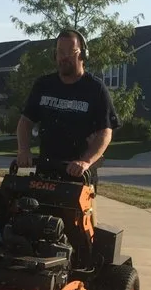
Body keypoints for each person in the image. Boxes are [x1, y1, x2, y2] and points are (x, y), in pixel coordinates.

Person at [16, 29, 119, 184]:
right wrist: (24, 150)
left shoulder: (95, 89)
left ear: (83, 55)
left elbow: (105, 132)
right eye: (60, 52)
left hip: (79, 177)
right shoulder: (43, 85)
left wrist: (85, 161)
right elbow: (25, 122)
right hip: (45, 171)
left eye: (71, 52)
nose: (64, 57)